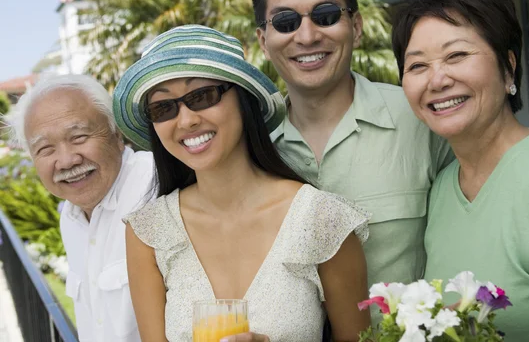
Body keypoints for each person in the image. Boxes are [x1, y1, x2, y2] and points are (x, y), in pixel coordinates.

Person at [112, 24, 370, 342]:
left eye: (202, 96)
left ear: (243, 101)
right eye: (163, 107)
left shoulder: (321, 219)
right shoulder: (147, 233)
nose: (187, 120)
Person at [391, 0, 529, 342]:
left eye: (456, 55)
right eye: (418, 65)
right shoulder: (441, 188)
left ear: (508, 68)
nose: (437, 80)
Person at [250, 0, 453, 315]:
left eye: (326, 16)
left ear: (355, 27)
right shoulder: (250, 146)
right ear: (264, 41)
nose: (307, 36)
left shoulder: (421, 119)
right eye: (285, 22)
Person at [7, 75, 155, 342]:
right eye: (45, 148)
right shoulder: (70, 216)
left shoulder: (155, 187)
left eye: (79, 137)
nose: (66, 160)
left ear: (117, 133)